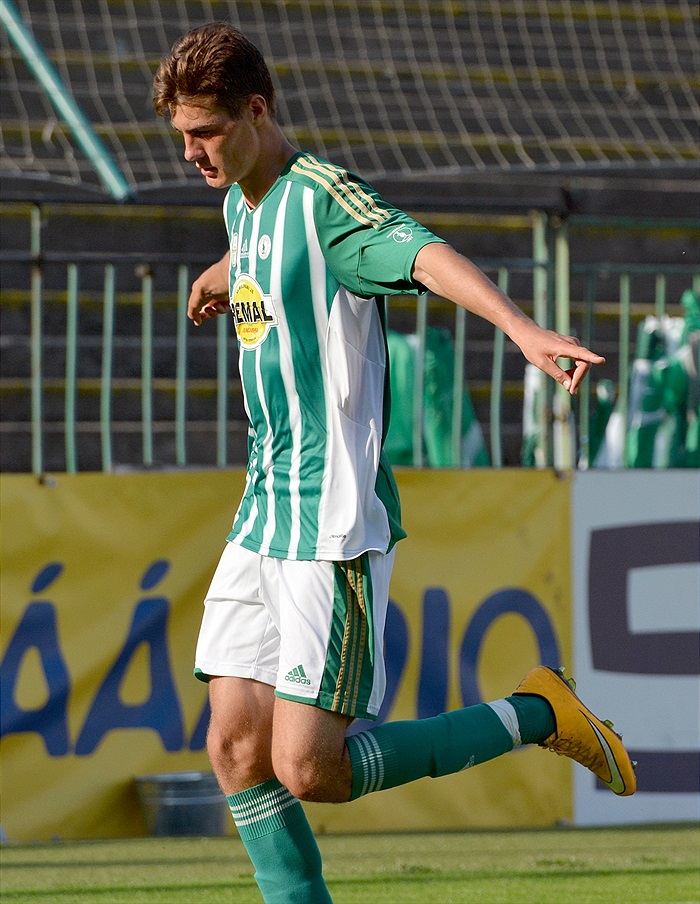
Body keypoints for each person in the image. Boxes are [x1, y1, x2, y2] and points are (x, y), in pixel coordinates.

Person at [153, 22, 636, 903]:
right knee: (232, 748)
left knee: (309, 768)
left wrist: (522, 329)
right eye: (182, 135)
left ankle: (538, 712)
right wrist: (224, 271)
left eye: (206, 133)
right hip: (261, 516)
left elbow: (421, 251)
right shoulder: (244, 201)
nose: (191, 152)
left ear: (257, 110)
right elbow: (262, 247)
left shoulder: (323, 199)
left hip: (331, 523)